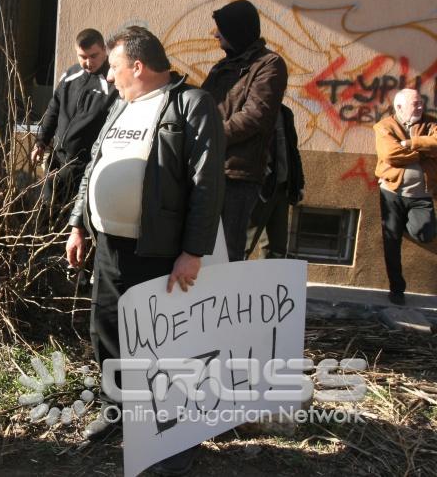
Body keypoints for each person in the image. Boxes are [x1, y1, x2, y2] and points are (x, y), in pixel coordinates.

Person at [65, 25, 224, 475]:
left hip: (159, 249)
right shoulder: (121, 106)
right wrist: (79, 223)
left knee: (163, 344)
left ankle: (174, 434)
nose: (109, 78)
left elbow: (206, 183)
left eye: (114, 68)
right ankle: (117, 411)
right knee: (109, 331)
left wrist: (193, 251)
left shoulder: (191, 104)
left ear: (137, 65)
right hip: (109, 246)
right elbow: (93, 165)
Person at [201, 0, 288, 261]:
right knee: (201, 247)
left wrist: (210, 138)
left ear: (237, 31)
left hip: (238, 173)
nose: (215, 34)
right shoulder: (221, 67)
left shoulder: (269, 65)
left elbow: (255, 116)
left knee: (227, 251)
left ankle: (224, 301)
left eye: (222, 29)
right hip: (208, 167)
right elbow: (202, 107)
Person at [32, 28, 116, 225]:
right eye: (82, 56)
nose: (88, 62)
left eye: (93, 56)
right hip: (58, 159)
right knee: (47, 213)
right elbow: (53, 109)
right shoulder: (70, 75)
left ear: (104, 50)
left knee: (76, 220)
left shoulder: (113, 82)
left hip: (87, 164)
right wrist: (41, 142)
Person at [373, 88, 437, 305]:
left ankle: (410, 226)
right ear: (399, 107)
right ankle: (397, 289)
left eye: (421, 103)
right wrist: (424, 152)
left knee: (424, 233)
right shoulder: (385, 126)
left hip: (422, 195)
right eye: (415, 104)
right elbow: (390, 155)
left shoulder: (430, 123)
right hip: (392, 193)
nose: (420, 107)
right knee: (391, 241)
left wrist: (410, 144)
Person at [245, 104, 305, 259]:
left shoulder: (285, 113)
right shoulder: (252, 109)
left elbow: (292, 150)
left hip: (282, 188)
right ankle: (233, 281)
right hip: (259, 188)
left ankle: (268, 283)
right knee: (244, 244)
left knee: (276, 246)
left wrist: (298, 183)